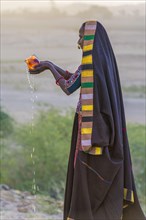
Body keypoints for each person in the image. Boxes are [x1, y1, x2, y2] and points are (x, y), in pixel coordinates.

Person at [29, 20, 145, 220]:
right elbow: (74, 79)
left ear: (91, 39)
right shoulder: (100, 66)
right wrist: (51, 66)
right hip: (98, 134)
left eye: (82, 37)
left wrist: (47, 65)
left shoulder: (91, 67)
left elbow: (68, 87)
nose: (79, 41)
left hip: (92, 137)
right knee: (95, 184)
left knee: (89, 183)